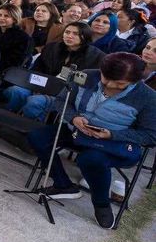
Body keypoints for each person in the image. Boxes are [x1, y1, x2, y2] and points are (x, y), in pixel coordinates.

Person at [28, 53, 156, 228]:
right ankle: (63, 185)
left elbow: (150, 135)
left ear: (135, 82)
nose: (109, 85)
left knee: (90, 159)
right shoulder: (87, 75)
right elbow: (60, 101)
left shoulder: (148, 98)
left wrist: (112, 134)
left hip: (113, 143)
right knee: (37, 136)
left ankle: (102, 204)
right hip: (77, 131)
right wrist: (73, 118)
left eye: (119, 84)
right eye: (105, 79)